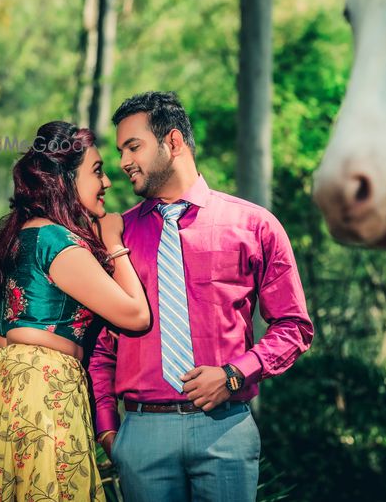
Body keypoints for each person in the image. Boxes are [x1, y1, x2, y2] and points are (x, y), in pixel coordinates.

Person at [88, 91, 314, 502]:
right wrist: (108, 430)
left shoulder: (255, 225)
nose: (123, 162)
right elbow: (103, 343)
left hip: (224, 429)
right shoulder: (117, 236)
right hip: (142, 436)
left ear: (173, 142)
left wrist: (234, 374)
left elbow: (294, 326)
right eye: (121, 150)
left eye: (133, 146)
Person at [0, 121, 150, 501]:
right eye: (96, 171)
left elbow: (4, 333)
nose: (108, 182)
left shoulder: (23, 235)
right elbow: (135, 316)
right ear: (64, 179)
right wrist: (113, 242)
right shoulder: (57, 241)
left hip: (3, 390)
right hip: (43, 390)